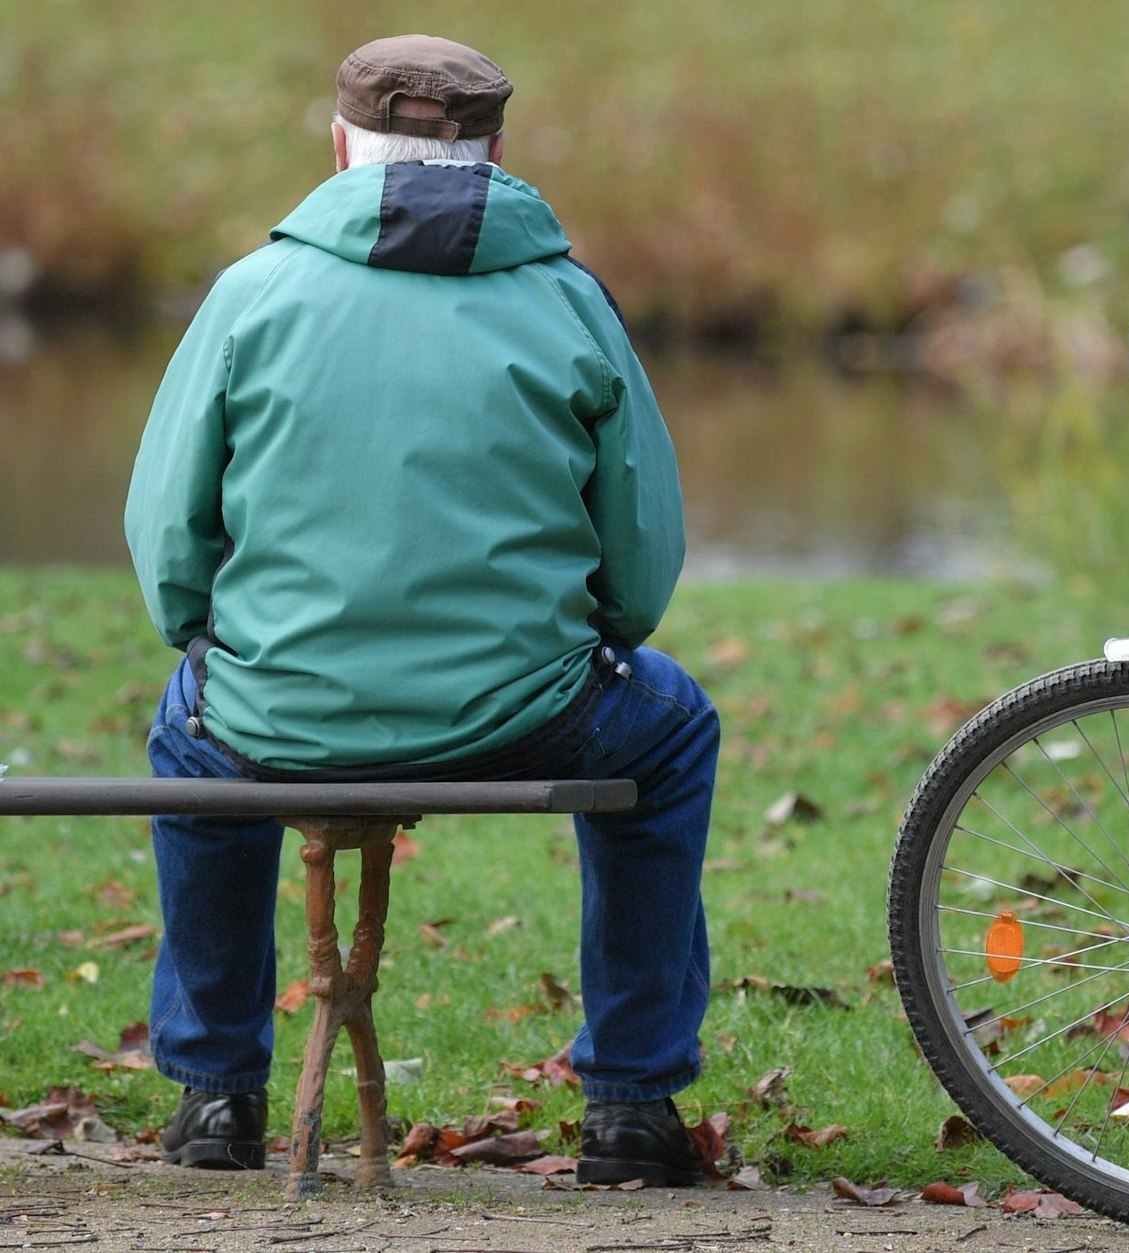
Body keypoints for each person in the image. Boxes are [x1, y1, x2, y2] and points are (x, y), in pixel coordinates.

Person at [123, 34, 717, 1187]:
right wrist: (583, 636)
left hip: (275, 707)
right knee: (672, 723)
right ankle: (633, 1104)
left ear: (340, 145)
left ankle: (214, 1090)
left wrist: (211, 638)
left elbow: (167, 544)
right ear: (497, 154)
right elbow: (641, 565)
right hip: (527, 713)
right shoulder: (569, 299)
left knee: (189, 730)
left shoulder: (252, 292)